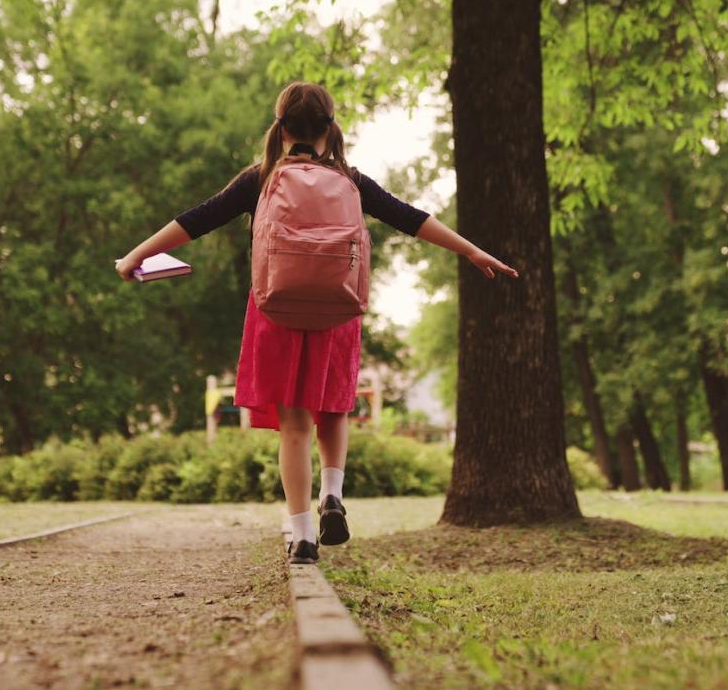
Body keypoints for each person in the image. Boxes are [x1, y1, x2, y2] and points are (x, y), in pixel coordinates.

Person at [115, 81, 518, 564]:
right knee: (334, 406)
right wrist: (471, 250)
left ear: (280, 127)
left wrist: (137, 255)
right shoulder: (351, 179)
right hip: (336, 310)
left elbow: (196, 219)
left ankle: (303, 535)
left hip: (275, 312)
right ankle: (332, 492)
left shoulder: (260, 179)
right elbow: (410, 217)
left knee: (294, 427)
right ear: (331, 127)